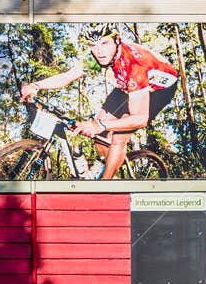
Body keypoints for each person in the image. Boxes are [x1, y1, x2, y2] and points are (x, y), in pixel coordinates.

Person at [19, 25, 180, 179]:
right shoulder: (99, 57)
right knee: (99, 134)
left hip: (158, 90)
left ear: (117, 40)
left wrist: (101, 125)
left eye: (104, 43)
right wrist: (36, 85)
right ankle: (110, 167)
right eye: (93, 45)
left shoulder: (134, 64)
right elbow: (67, 76)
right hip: (127, 85)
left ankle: (103, 188)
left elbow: (140, 119)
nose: (99, 51)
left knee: (117, 137)